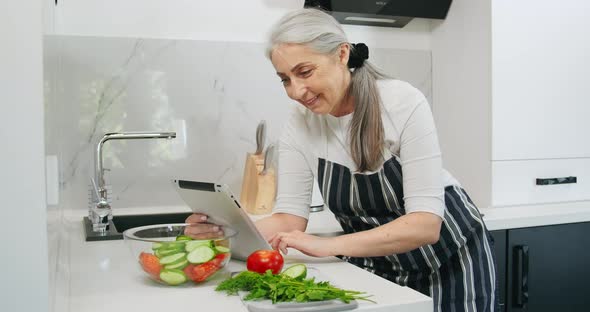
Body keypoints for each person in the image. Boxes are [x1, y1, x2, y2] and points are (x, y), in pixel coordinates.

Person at [186, 8, 498, 312]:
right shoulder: (301, 121)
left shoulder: (401, 102)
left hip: (449, 262)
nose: (296, 91)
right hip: (378, 265)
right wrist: (225, 229)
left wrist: (328, 245)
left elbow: (424, 226)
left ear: (342, 55)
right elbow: (289, 220)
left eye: (305, 72)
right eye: (285, 79)